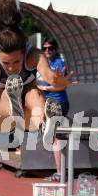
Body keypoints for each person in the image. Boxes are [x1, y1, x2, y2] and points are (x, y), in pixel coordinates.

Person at [0, 0, 73, 145]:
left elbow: (49, 76)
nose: (11, 68)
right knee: (4, 93)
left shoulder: (34, 56)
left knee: (34, 94)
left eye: (16, 61)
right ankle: (12, 103)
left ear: (24, 53)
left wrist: (59, 83)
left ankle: (46, 122)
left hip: (27, 116)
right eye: (6, 63)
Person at [37, 38, 71, 181]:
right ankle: (60, 171)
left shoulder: (58, 64)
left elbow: (62, 86)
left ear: (55, 49)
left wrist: (43, 88)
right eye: (44, 49)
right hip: (51, 104)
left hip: (58, 103)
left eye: (50, 48)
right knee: (55, 137)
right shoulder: (47, 63)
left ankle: (60, 172)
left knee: (56, 138)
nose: (47, 51)